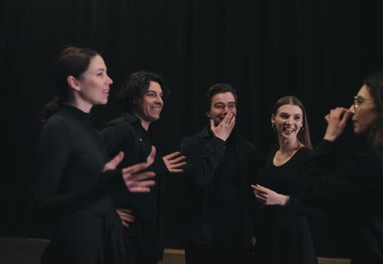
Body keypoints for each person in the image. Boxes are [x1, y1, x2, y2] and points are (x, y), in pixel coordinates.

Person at [254, 71, 383, 263]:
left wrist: (329, 138)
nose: (353, 109)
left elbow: (313, 194)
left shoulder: (375, 161)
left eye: (360, 101)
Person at [33, 47, 157, 264]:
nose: (109, 81)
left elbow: (89, 193)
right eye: (100, 74)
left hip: (97, 249)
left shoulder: (90, 132)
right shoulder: (59, 127)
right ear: (75, 83)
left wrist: (110, 201)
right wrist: (103, 186)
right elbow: (43, 206)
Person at [100, 71, 186, 264]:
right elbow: (86, 175)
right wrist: (108, 212)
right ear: (134, 98)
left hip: (145, 242)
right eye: (151, 94)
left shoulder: (148, 135)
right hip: (122, 242)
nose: (159, 101)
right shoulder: (119, 130)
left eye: (161, 96)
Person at [180, 83, 261, 264]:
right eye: (219, 106)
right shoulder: (191, 144)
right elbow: (200, 179)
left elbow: (253, 197)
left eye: (231, 105)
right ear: (208, 113)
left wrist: (253, 232)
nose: (226, 111)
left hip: (239, 241)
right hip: (204, 242)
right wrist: (219, 140)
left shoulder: (248, 150)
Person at [251, 96, 318, 264]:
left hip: (294, 242)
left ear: (302, 123)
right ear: (273, 119)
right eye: (285, 116)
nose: (290, 122)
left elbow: (315, 204)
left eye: (296, 117)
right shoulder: (272, 152)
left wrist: (280, 199)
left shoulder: (309, 158)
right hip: (269, 238)